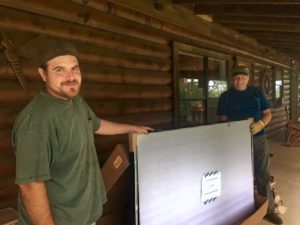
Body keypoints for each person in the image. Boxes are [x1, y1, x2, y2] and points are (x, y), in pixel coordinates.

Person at [12, 38, 153, 225]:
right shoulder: (36, 122)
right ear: (43, 74)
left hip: (84, 214)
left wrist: (131, 128)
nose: (70, 76)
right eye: (59, 70)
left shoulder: (76, 102)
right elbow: (30, 186)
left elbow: (95, 124)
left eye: (75, 68)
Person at [216, 65, 283, 225]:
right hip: (235, 141)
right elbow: (223, 119)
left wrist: (261, 123)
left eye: (243, 78)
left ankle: (269, 209)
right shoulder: (225, 96)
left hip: (258, 138)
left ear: (248, 79)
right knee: (237, 173)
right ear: (233, 79)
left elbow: (268, 113)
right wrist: (233, 131)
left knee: (263, 172)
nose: (240, 81)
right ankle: (239, 207)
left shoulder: (256, 93)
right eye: (237, 78)